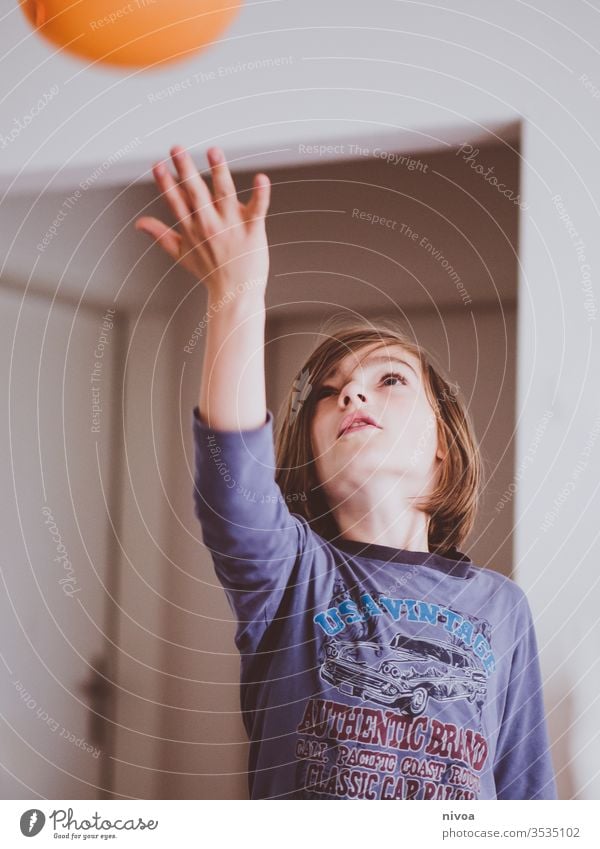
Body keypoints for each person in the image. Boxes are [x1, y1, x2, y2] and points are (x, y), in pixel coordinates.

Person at [134, 145, 558, 801]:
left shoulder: (502, 607)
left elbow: (529, 796)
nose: (352, 395)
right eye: (331, 392)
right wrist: (236, 291)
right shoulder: (295, 578)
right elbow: (234, 484)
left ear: (443, 443)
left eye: (387, 378)